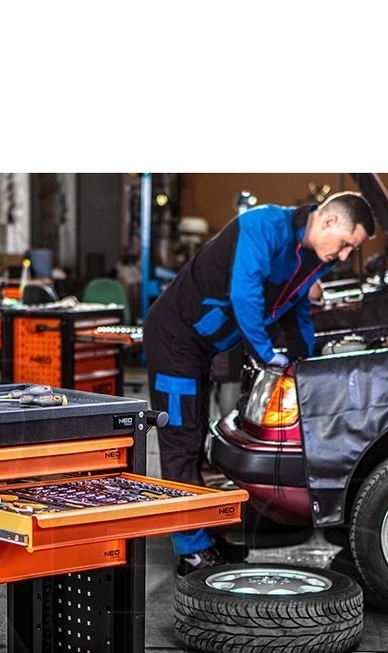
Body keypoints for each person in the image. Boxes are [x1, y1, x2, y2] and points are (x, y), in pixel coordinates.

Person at [142, 190, 375, 576]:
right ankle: (191, 553)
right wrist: (266, 354)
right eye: (348, 243)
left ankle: (203, 534)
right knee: (181, 442)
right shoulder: (262, 226)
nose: (346, 254)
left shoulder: (316, 258)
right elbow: (244, 293)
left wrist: (304, 363)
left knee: (196, 439)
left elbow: (298, 310)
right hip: (175, 338)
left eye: (354, 249)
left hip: (204, 347)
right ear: (330, 221)